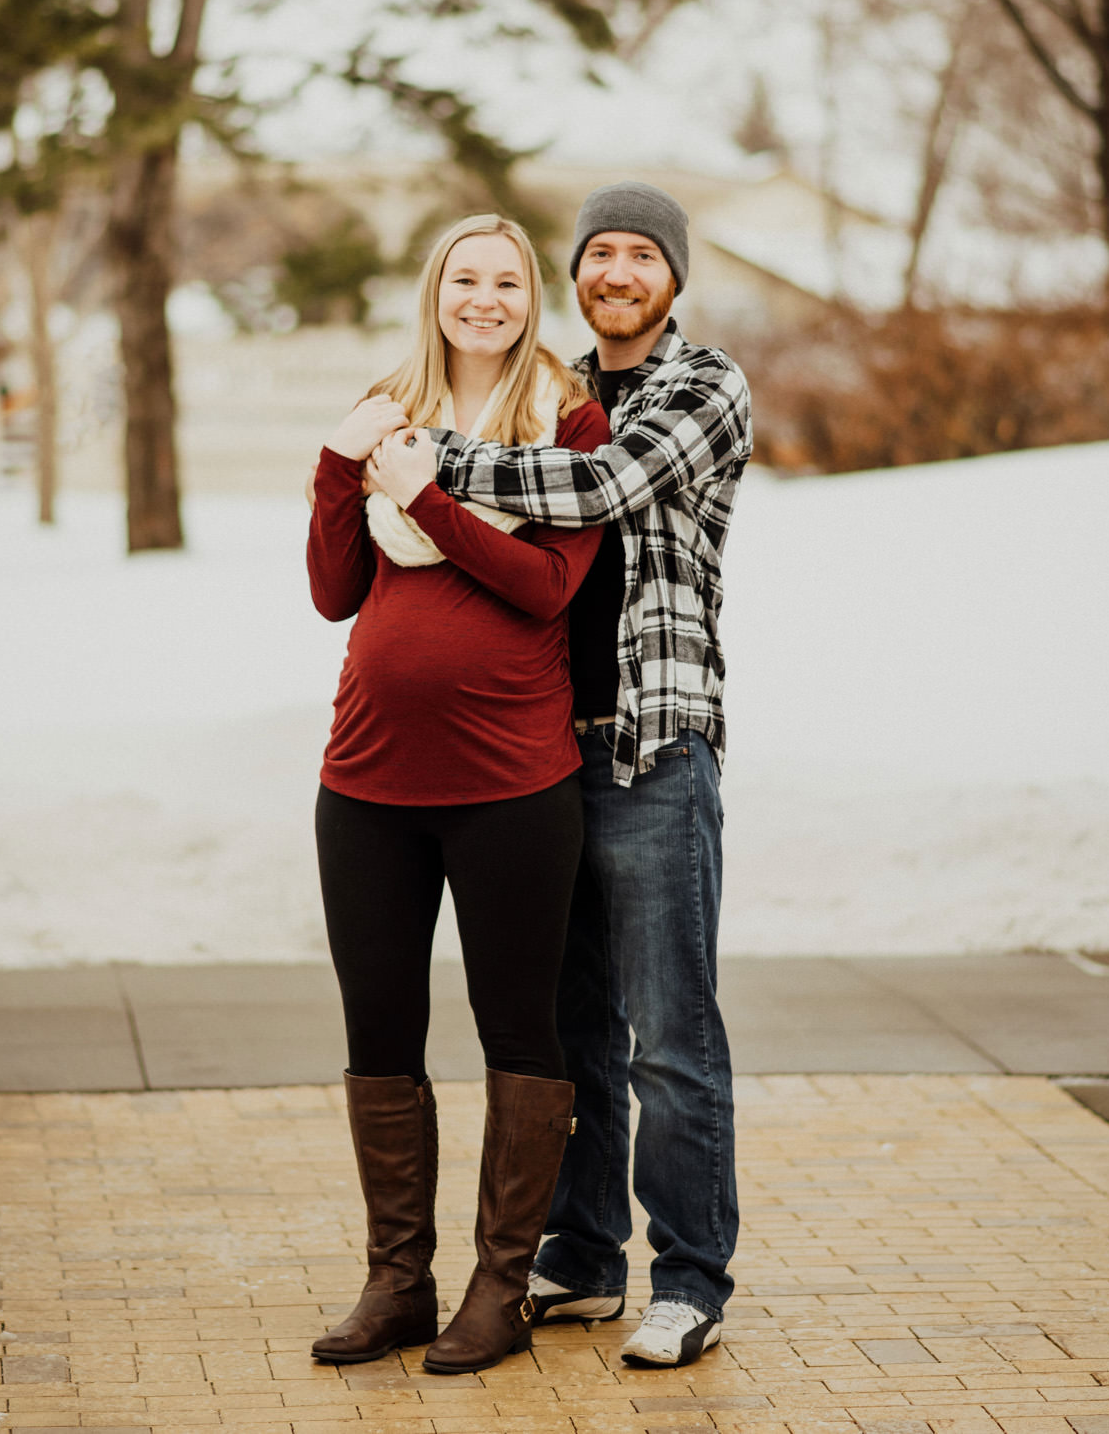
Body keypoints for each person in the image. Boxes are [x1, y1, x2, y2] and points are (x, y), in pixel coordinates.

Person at [366, 181, 751, 1370]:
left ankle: (689, 1279)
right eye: (599, 253)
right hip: (536, 754)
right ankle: (582, 1257)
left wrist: (430, 462)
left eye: (642, 255)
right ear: (574, 274)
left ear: (672, 278)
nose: (617, 272)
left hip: (649, 747)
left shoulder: (703, 385)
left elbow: (602, 490)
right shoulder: (558, 393)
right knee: (570, 1028)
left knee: (667, 1037)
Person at [305, 213, 609, 1376]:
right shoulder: (385, 408)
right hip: (367, 777)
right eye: (462, 279)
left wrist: (428, 498)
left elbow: (543, 586)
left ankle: (498, 1288)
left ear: (532, 299)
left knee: (517, 1029)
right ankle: (397, 1282)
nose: (483, 298)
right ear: (434, 292)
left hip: (512, 783)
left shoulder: (567, 421)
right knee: (377, 1029)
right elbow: (334, 590)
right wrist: (338, 469)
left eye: (506, 282)